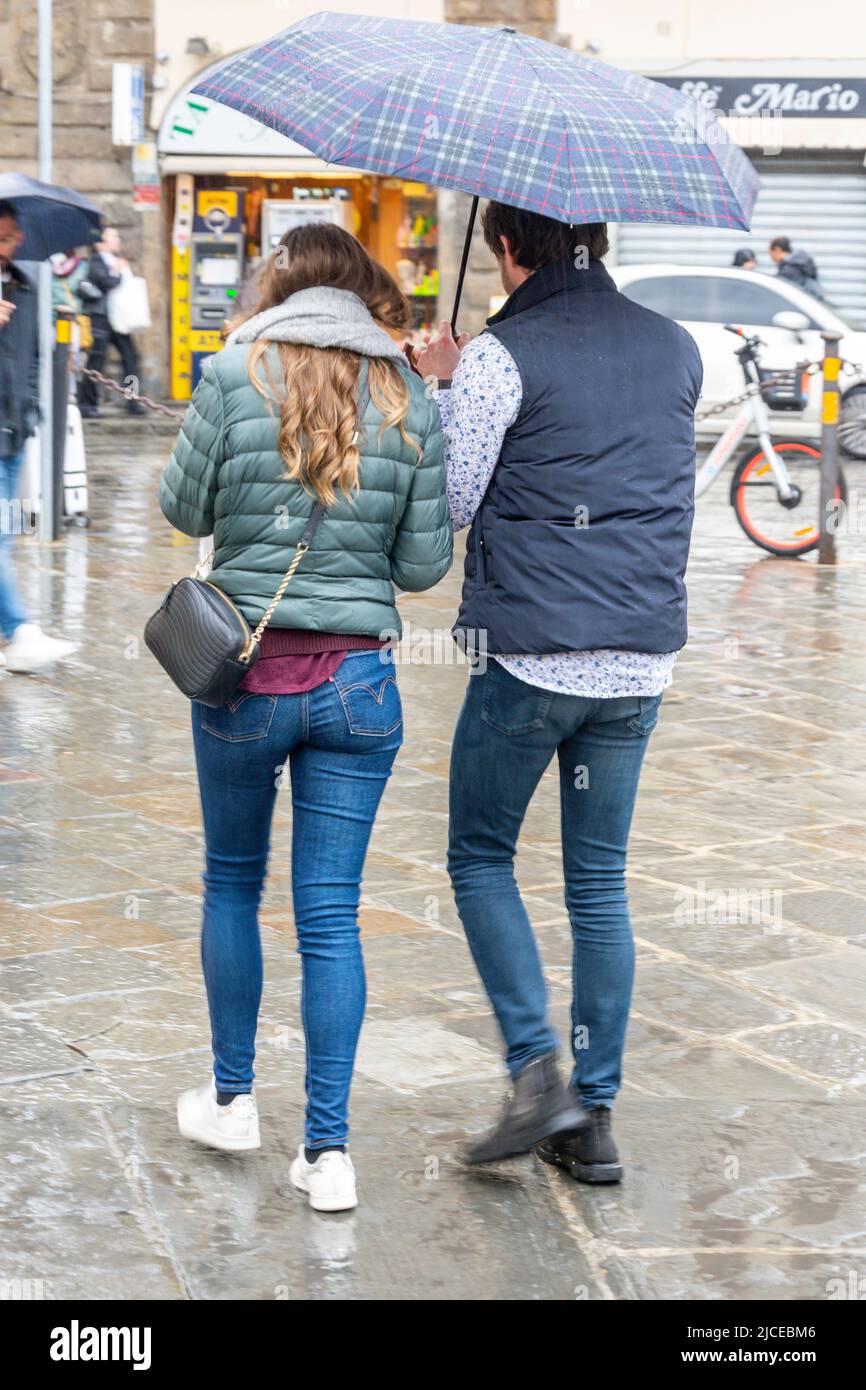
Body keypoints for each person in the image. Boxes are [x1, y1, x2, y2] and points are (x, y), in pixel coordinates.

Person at [158, 223, 452, 1213]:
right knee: (330, 915)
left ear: (277, 285)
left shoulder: (234, 368)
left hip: (245, 678)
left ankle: (234, 1098)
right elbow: (420, 567)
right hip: (359, 689)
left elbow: (182, 508)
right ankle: (328, 1154)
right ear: (366, 290)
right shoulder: (407, 392)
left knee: (231, 885)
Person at [413, 201, 702, 1179]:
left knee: (479, 853)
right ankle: (593, 1117)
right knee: (597, 883)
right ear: (600, 241)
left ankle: (536, 1073)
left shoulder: (502, 354)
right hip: (637, 662)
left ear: (504, 249)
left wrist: (443, 388)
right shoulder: (675, 348)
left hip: (530, 657)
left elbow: (451, 498)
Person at [0, 200, 77, 673]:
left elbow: (31, 357)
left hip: (11, 429)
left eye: (11, 237)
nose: (11, 246)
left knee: (7, 531)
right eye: (2, 238)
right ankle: (20, 629)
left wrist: (28, 408)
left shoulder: (23, 287)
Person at [78, 227, 144, 417]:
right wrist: (117, 271)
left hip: (118, 318)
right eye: (112, 236)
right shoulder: (96, 261)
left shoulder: (114, 261)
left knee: (131, 357)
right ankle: (87, 405)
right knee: (96, 361)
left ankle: (133, 401)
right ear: (100, 242)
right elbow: (107, 283)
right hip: (100, 317)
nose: (117, 240)